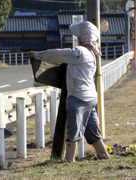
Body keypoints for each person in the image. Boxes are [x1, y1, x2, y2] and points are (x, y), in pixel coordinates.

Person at [28, 21, 110, 162]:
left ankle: (69, 160)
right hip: (90, 97)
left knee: (73, 130)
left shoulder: (79, 52)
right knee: (92, 130)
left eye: (77, 36)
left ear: (80, 38)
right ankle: (103, 154)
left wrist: (36, 54)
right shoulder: (92, 52)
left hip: (78, 97)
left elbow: (56, 54)